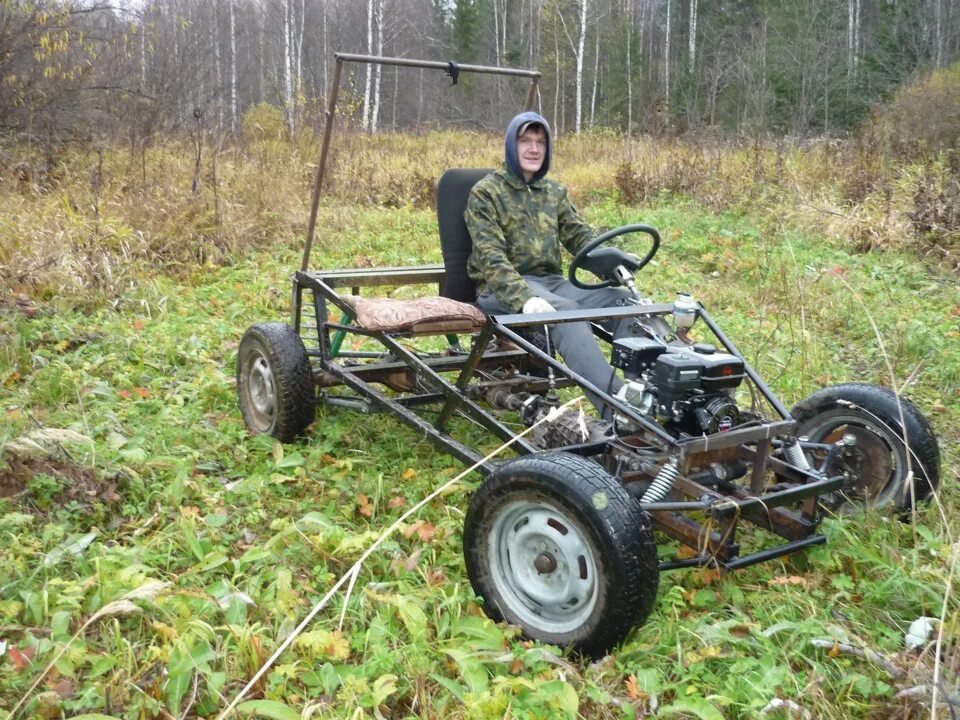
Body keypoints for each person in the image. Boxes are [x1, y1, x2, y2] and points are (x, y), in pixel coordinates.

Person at [465, 111, 640, 416]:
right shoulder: (486, 193)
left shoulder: (554, 193)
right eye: (525, 141)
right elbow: (491, 259)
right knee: (564, 314)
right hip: (503, 289)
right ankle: (620, 412)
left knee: (626, 303)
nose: (534, 148)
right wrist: (525, 299)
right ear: (511, 145)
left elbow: (581, 239)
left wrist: (613, 260)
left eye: (540, 142)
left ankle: (646, 395)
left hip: (553, 283)